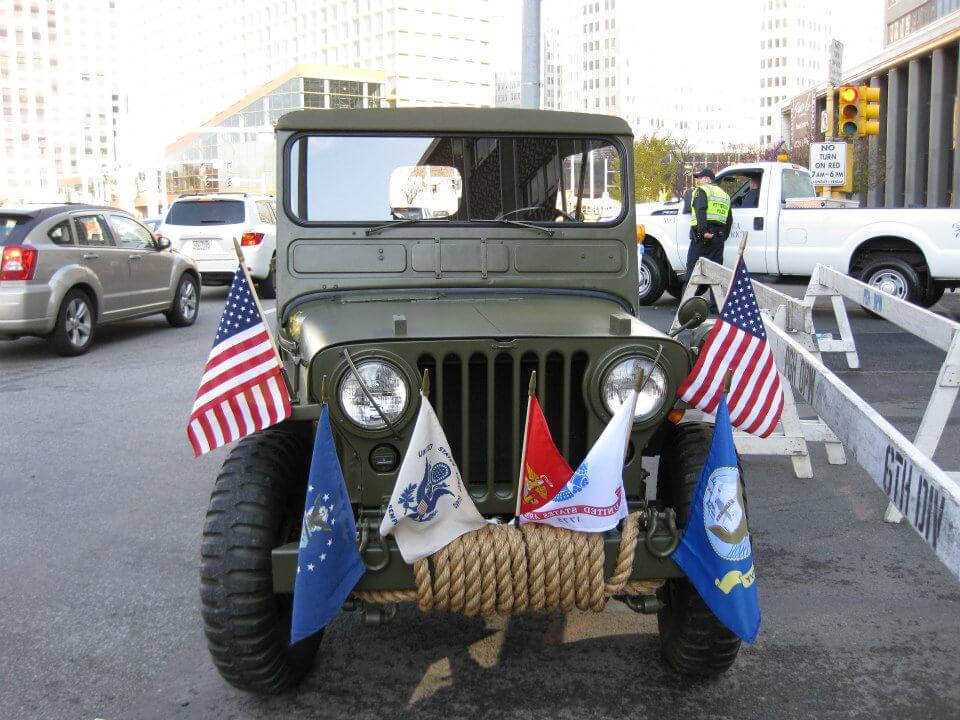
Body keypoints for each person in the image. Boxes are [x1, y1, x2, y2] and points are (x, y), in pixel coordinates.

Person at [686, 168, 733, 297]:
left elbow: (700, 209)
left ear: (707, 179)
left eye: (699, 178)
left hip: (703, 238)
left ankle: (687, 304)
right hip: (718, 238)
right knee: (716, 273)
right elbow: (729, 219)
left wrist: (703, 231)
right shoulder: (724, 195)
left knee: (692, 269)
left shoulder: (702, 190)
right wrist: (723, 237)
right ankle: (716, 306)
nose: (698, 182)